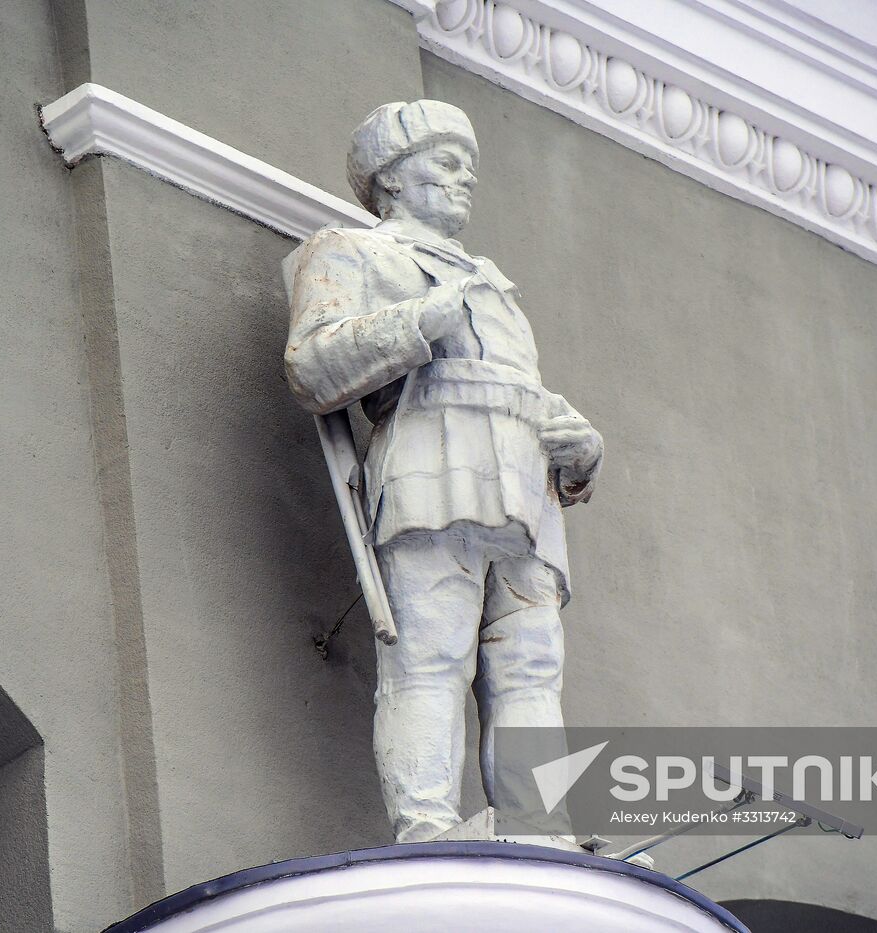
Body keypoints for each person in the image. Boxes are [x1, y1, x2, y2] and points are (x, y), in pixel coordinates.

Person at [284, 100, 602, 843]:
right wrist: (421, 319)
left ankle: (539, 824)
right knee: (432, 651)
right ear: (392, 176)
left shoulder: (494, 283)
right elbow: (312, 365)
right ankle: (425, 824)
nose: (466, 180)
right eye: (448, 162)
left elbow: (524, 390)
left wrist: (581, 451)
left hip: (525, 481)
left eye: (470, 167)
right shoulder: (353, 251)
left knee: (531, 663)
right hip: (430, 461)